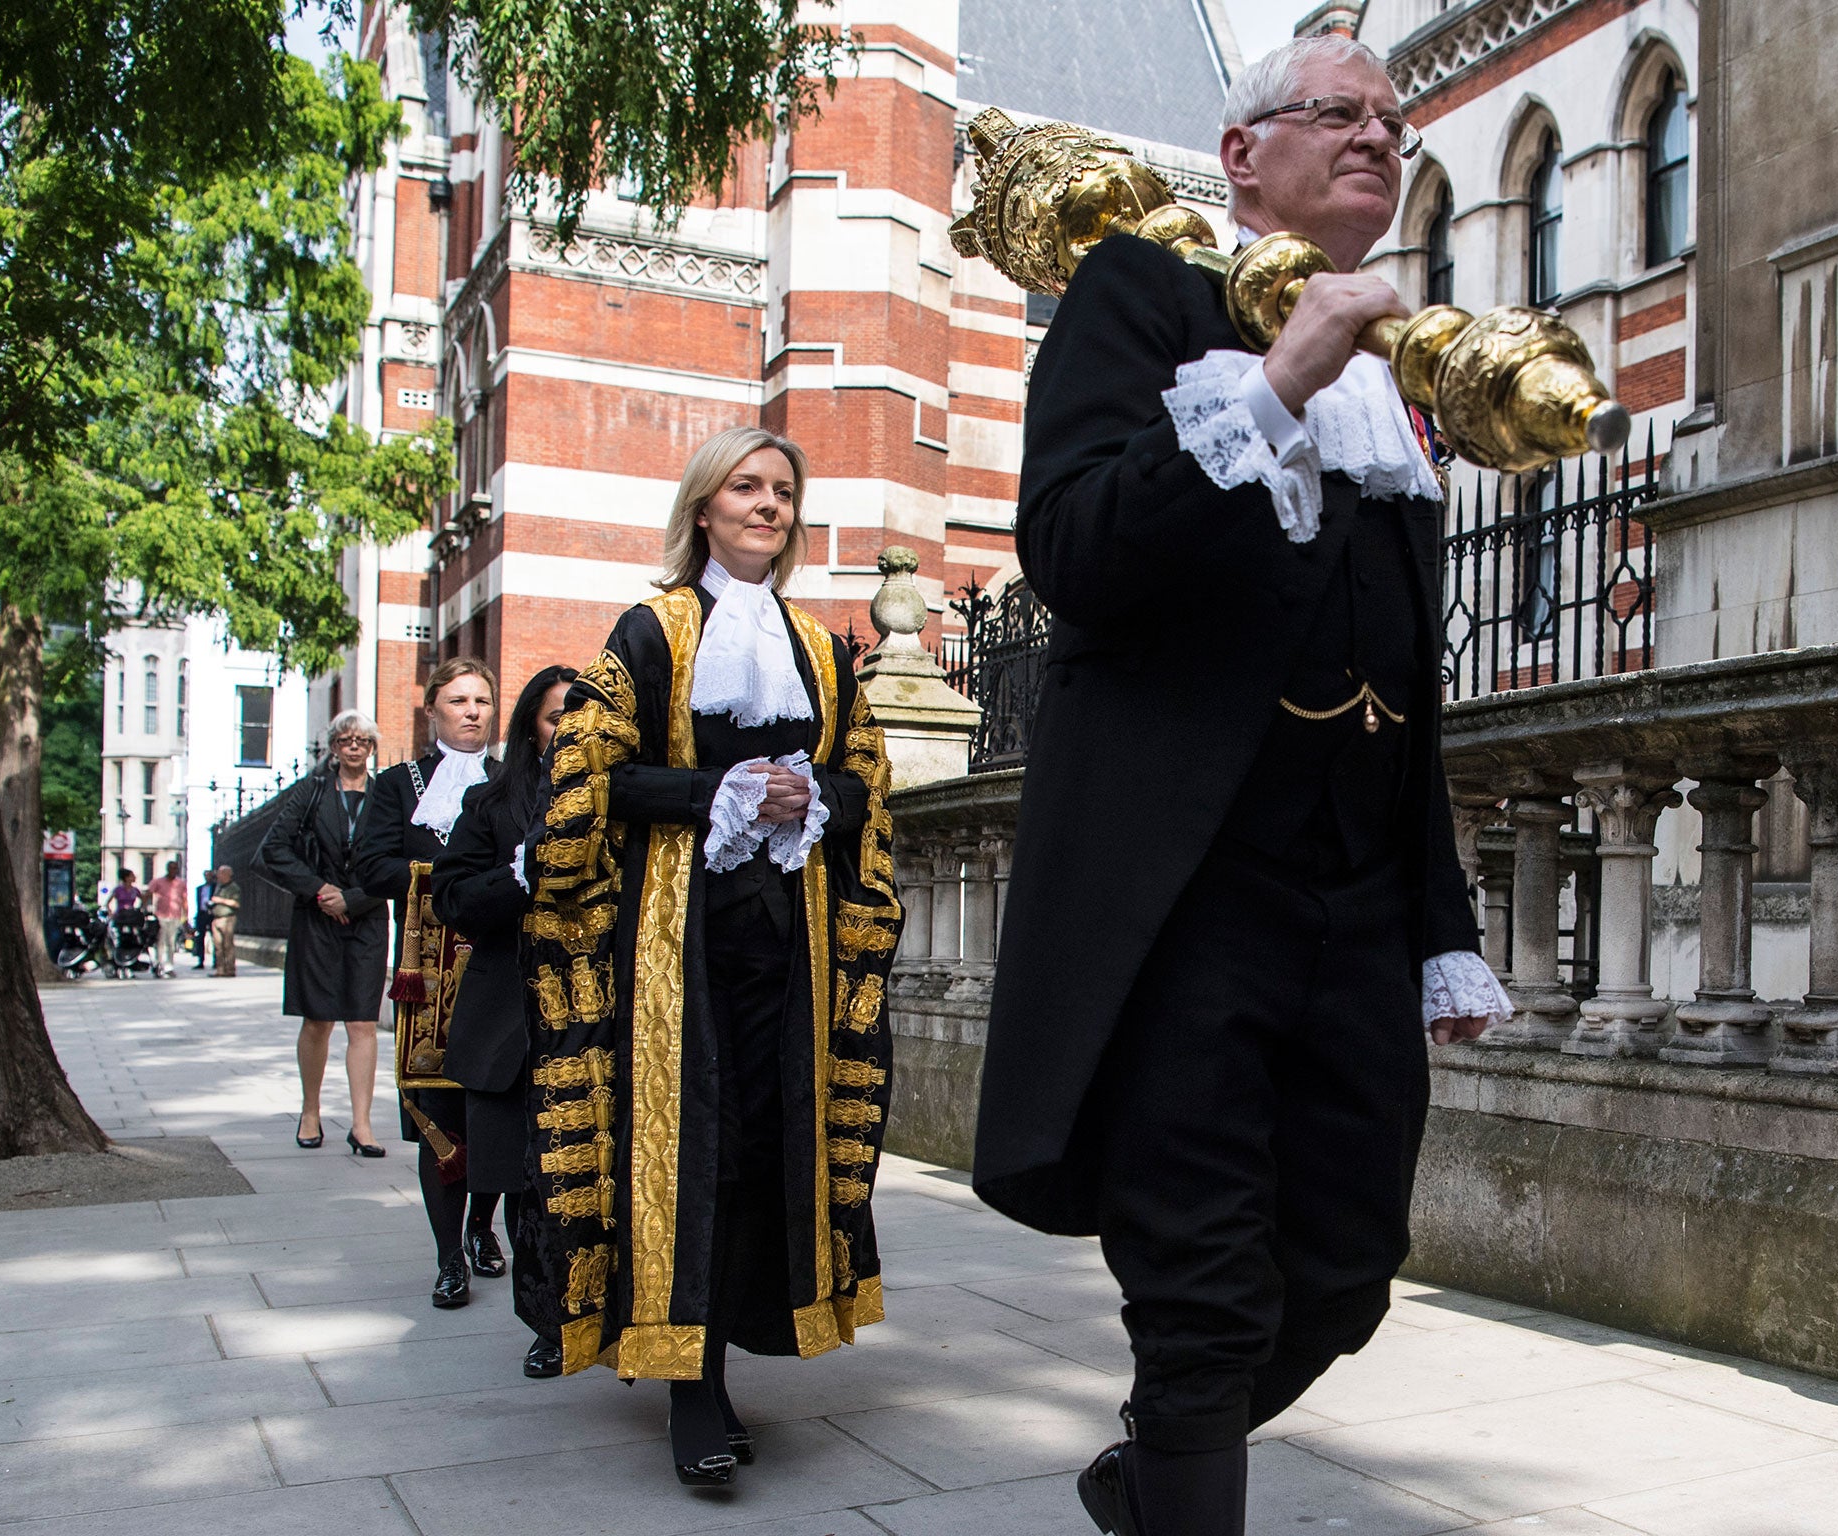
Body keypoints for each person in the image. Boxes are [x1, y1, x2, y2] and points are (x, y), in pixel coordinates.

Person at [968, 37, 1514, 1536]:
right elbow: (1073, 552)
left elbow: (1409, 686)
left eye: (1392, 121)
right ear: (1241, 154)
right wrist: (1279, 378)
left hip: (1351, 906)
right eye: (1337, 114)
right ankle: (1187, 1469)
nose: (1375, 138)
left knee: (1346, 1266)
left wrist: (1438, 915)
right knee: (1202, 1292)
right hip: (1185, 906)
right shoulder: (1141, 296)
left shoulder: (1401, 370)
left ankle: (1151, 1471)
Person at [522, 426, 902, 1488]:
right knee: (691, 1148)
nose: (768, 506)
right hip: (671, 948)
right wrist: (722, 794)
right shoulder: (648, 631)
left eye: (783, 490)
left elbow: (865, 785)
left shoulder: (823, 649)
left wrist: (809, 795)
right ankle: (693, 1388)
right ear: (703, 506)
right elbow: (594, 783)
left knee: (769, 1146)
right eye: (747, 487)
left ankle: (736, 1346)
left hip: (790, 948)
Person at [433, 664, 577, 1380]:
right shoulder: (492, 804)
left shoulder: (616, 799)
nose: (568, 729)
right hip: (511, 1022)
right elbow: (451, 899)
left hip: (590, 1021)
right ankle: (546, 1324)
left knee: (575, 1185)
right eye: (555, 717)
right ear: (530, 726)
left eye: (579, 716)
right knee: (525, 1189)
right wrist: (516, 878)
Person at [353, 658, 504, 1308]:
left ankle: (481, 1225)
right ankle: (448, 1258)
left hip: (497, 969)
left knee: (494, 1106)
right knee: (438, 1113)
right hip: (429, 977)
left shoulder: (510, 780)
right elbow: (370, 862)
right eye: (458, 700)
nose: (472, 711)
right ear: (432, 710)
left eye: (482, 700)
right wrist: (445, 879)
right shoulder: (397, 783)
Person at [255, 711, 392, 1153]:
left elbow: (398, 858)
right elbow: (272, 849)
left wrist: (351, 898)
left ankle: (362, 1124)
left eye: (363, 741)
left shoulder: (385, 795)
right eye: (346, 740)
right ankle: (310, 1111)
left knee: (362, 1022)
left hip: (366, 918)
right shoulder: (311, 792)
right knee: (318, 1020)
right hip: (316, 920)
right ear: (333, 747)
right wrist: (319, 890)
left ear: (372, 748)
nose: (355, 747)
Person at [149, 861, 189, 978]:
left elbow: (184, 900)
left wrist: (185, 915)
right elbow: (149, 893)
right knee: (160, 942)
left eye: (175, 868)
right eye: (171, 868)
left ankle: (169, 966)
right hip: (161, 915)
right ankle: (159, 965)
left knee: (171, 942)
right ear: (167, 869)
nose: (173, 870)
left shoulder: (180, 883)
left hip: (174, 916)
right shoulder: (158, 882)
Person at [207, 865, 242, 976]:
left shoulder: (234, 888)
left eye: (220, 873)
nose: (218, 875)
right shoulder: (219, 886)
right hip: (216, 918)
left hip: (228, 918)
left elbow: (236, 903)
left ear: (227, 874)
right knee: (218, 946)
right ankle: (220, 969)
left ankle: (230, 969)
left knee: (228, 945)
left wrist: (220, 900)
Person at [192, 869, 215, 968]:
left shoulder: (215, 888)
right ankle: (201, 960)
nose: (207, 877)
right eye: (206, 875)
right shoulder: (199, 888)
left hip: (211, 914)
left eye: (209, 875)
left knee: (215, 938)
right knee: (200, 938)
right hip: (201, 914)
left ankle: (216, 961)